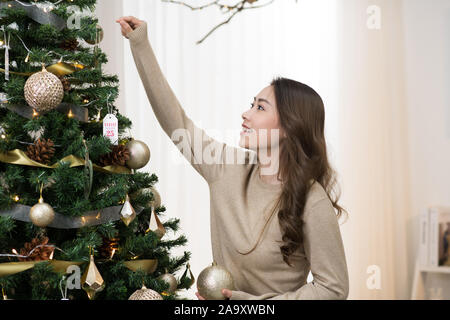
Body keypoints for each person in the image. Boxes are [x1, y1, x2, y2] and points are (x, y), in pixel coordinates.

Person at [116, 16, 349, 300]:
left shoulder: (312, 199)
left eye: (260, 108)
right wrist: (140, 45)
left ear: (289, 126)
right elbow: (176, 122)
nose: (246, 113)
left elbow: (333, 289)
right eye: (251, 104)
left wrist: (255, 305)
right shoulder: (226, 167)